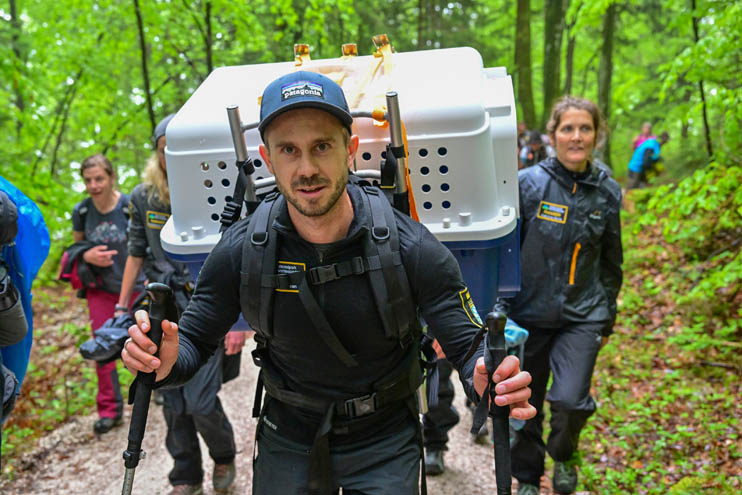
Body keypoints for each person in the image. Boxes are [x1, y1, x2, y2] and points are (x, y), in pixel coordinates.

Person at [121, 71, 535, 495]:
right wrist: (164, 360)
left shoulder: (409, 246)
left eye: (322, 146)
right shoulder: (241, 250)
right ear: (267, 157)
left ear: (350, 149)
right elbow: (192, 341)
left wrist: (486, 376)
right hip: (287, 432)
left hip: (386, 436)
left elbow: (467, 346)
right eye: (289, 150)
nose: (307, 168)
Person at [497, 96, 623, 495]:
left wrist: (607, 318)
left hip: (582, 316)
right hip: (528, 316)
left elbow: (611, 262)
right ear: (552, 135)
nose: (576, 136)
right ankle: (529, 479)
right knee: (525, 406)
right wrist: (500, 308)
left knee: (569, 401)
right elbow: (506, 251)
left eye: (585, 128)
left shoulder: (607, 191)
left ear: (596, 135)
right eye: (567, 128)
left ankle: (565, 455)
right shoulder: (527, 184)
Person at [116, 115, 245, 495]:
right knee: (168, 397)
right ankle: (185, 475)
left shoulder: (215, 185)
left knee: (201, 400)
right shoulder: (144, 197)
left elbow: (235, 253)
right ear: (157, 154)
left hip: (205, 303)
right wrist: (122, 304)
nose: (170, 159)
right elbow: (136, 251)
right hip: (160, 303)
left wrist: (239, 324)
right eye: (163, 152)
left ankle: (223, 455)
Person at [70, 155, 137, 435]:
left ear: (111, 177)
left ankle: (156, 388)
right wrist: (87, 254)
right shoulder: (82, 211)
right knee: (101, 347)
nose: (94, 185)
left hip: (136, 286)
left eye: (99, 179)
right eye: (88, 180)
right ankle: (110, 410)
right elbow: (77, 248)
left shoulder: (129, 206)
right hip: (101, 288)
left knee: (146, 341)